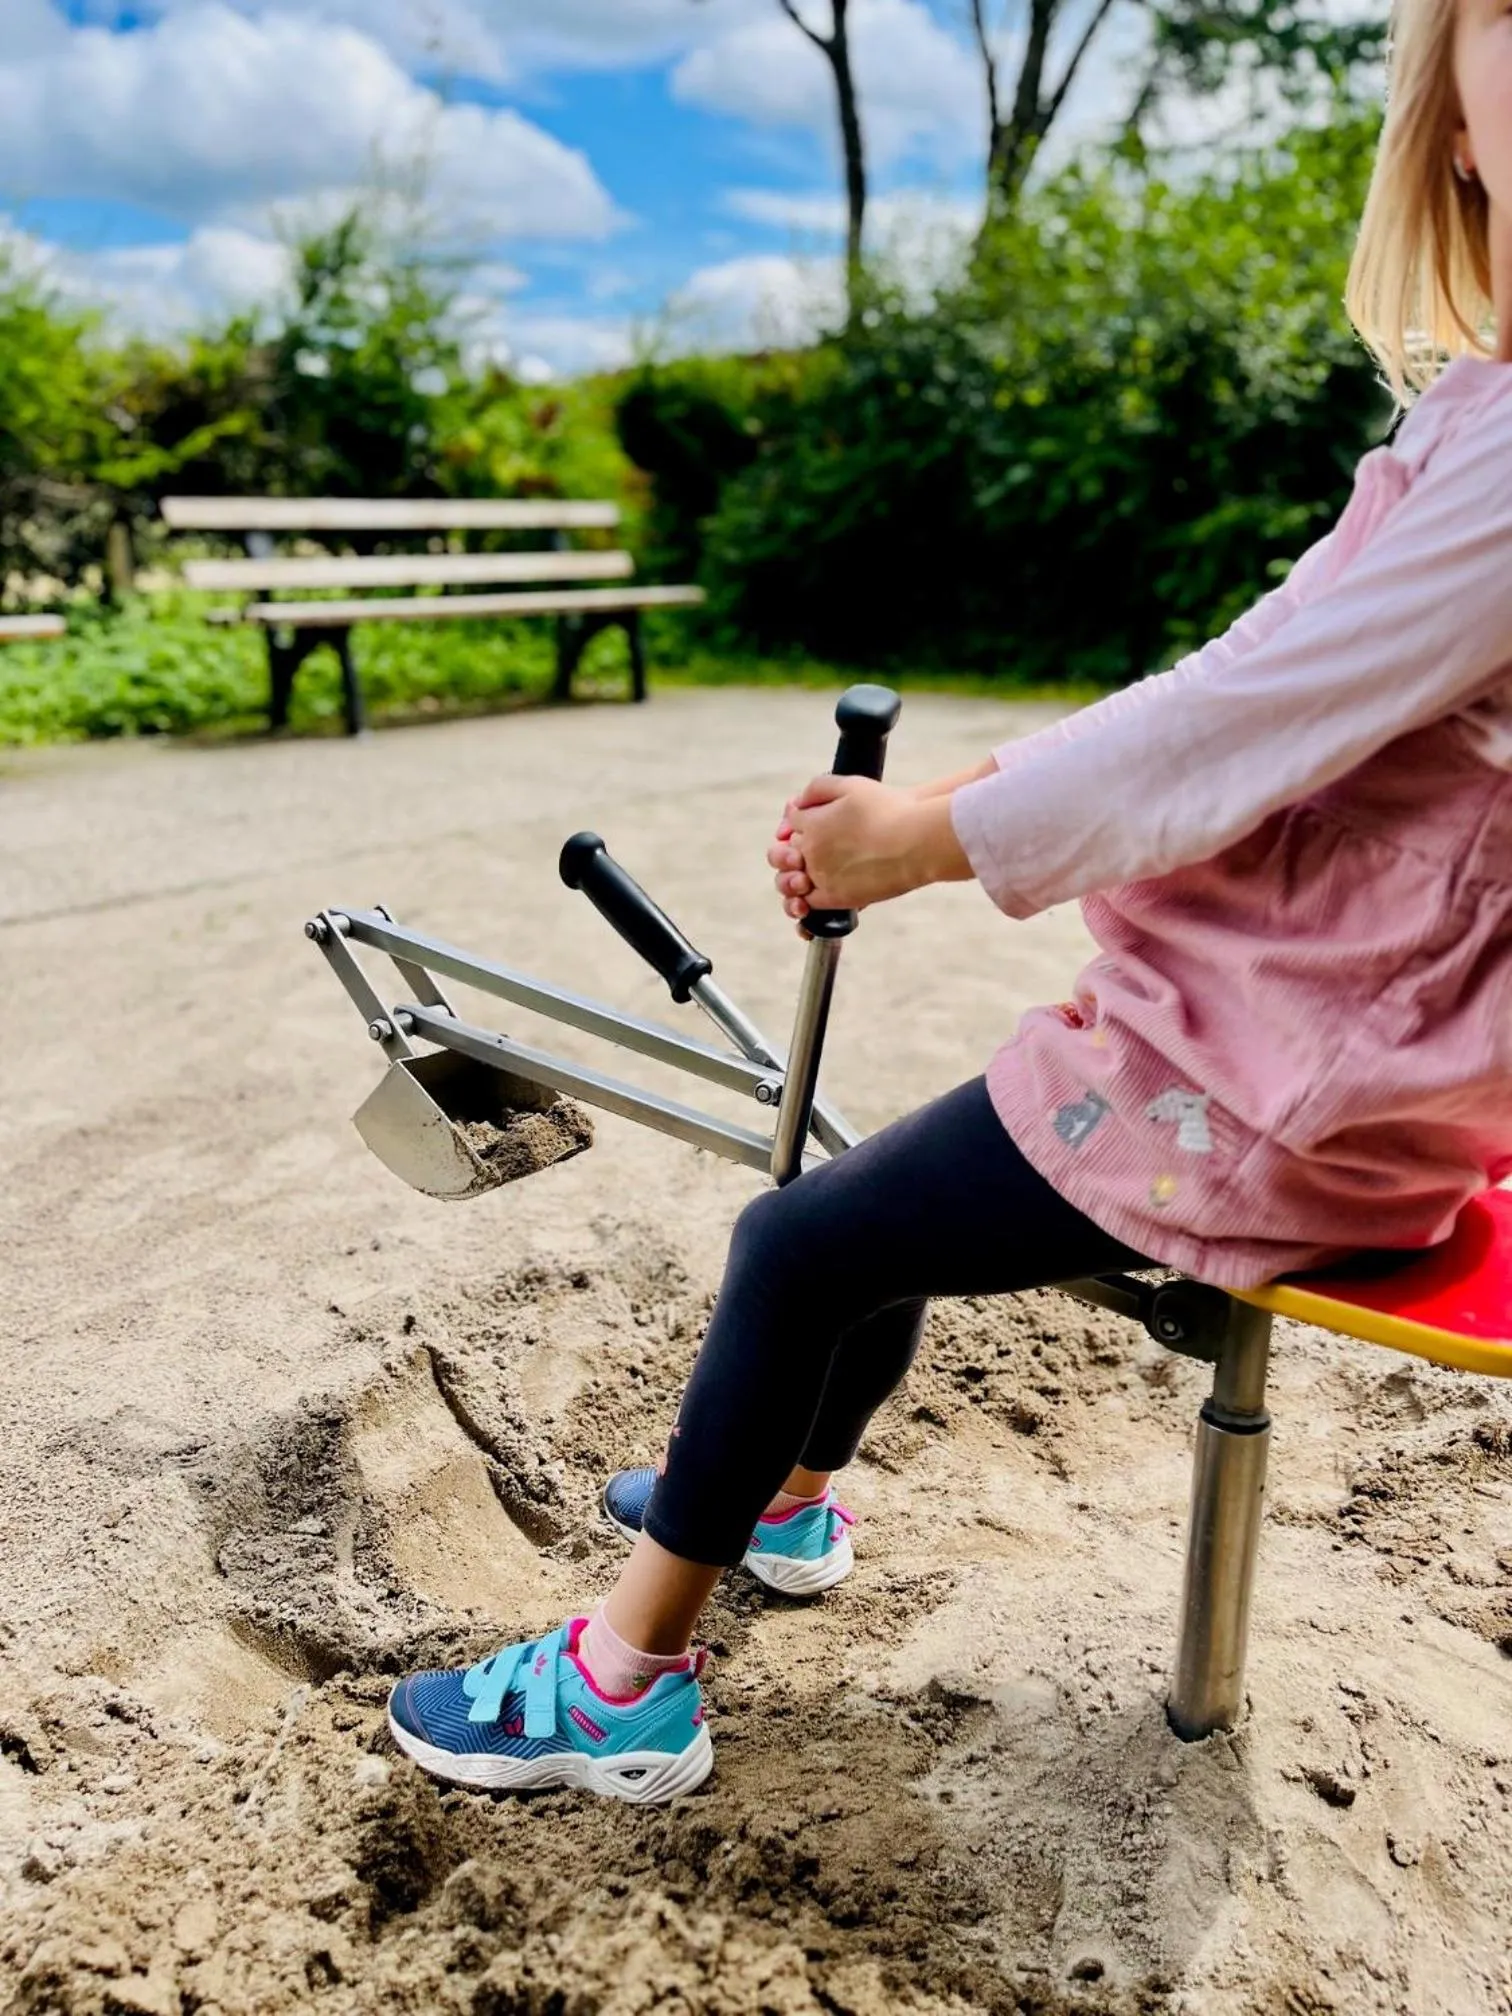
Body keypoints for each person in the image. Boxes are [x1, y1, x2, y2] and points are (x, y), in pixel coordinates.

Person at [386, 0, 1512, 1802]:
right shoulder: (1479, 415)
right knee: (861, 1203)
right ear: (1452, 119)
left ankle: (620, 1684)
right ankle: (786, 1502)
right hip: (1296, 1051)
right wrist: (940, 807)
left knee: (795, 1247)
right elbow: (1254, 669)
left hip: (1277, 1097)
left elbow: (1240, 726)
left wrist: (919, 846)